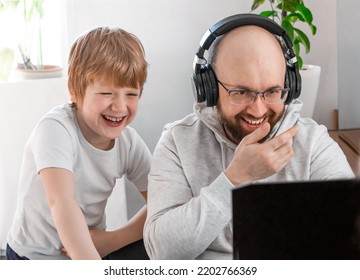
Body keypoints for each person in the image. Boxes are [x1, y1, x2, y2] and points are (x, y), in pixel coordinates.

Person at [143, 14, 355, 260]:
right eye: (241, 92)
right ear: (208, 88)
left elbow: (349, 242)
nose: (258, 110)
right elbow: (162, 253)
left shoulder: (313, 143)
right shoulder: (177, 142)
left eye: (272, 91)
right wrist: (234, 179)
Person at [6, 27, 151, 260]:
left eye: (131, 95)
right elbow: (62, 203)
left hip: (90, 250)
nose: (120, 107)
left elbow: (165, 203)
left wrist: (111, 240)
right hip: (34, 257)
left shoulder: (129, 143)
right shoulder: (55, 129)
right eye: (107, 93)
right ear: (74, 91)